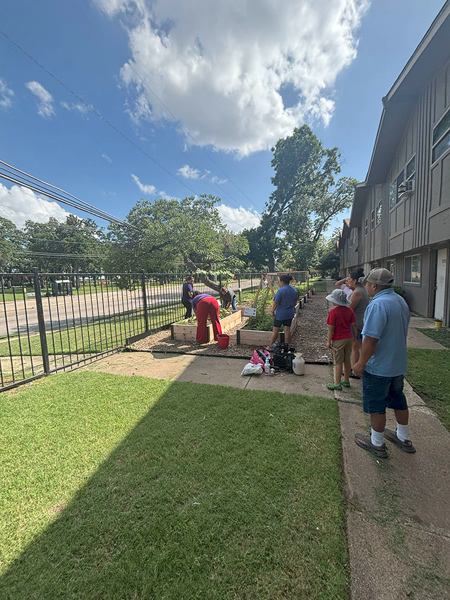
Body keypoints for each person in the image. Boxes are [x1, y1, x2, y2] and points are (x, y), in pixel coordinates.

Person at [353, 268, 415, 458]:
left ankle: (377, 442)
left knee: (376, 404)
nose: (365, 287)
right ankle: (403, 437)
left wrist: (361, 362)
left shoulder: (378, 304)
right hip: (397, 363)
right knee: (398, 400)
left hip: (378, 366)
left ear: (373, 286)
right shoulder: (400, 301)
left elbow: (371, 338)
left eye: (366, 284)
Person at [326, 289, 357, 390]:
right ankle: (346, 380)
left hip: (338, 339)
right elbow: (354, 325)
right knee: (347, 360)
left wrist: (328, 341)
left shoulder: (333, 312)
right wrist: (354, 336)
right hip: (349, 338)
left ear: (335, 301)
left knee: (338, 361)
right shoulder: (350, 311)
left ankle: (337, 383)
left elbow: (331, 328)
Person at [347, 268, 369, 378]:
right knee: (359, 347)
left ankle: (356, 372)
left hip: (357, 324)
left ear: (355, 280)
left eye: (349, 279)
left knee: (355, 347)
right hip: (361, 322)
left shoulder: (357, 292)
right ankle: (359, 368)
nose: (348, 281)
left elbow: (349, 309)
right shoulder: (364, 290)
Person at [267, 275, 298, 348]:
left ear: (282, 281)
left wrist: (272, 311)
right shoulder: (294, 290)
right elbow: (295, 302)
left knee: (275, 330)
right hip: (290, 313)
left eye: (280, 281)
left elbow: (276, 302)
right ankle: (287, 346)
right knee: (287, 330)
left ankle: (270, 346)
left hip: (280, 314)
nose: (279, 283)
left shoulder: (281, 290)